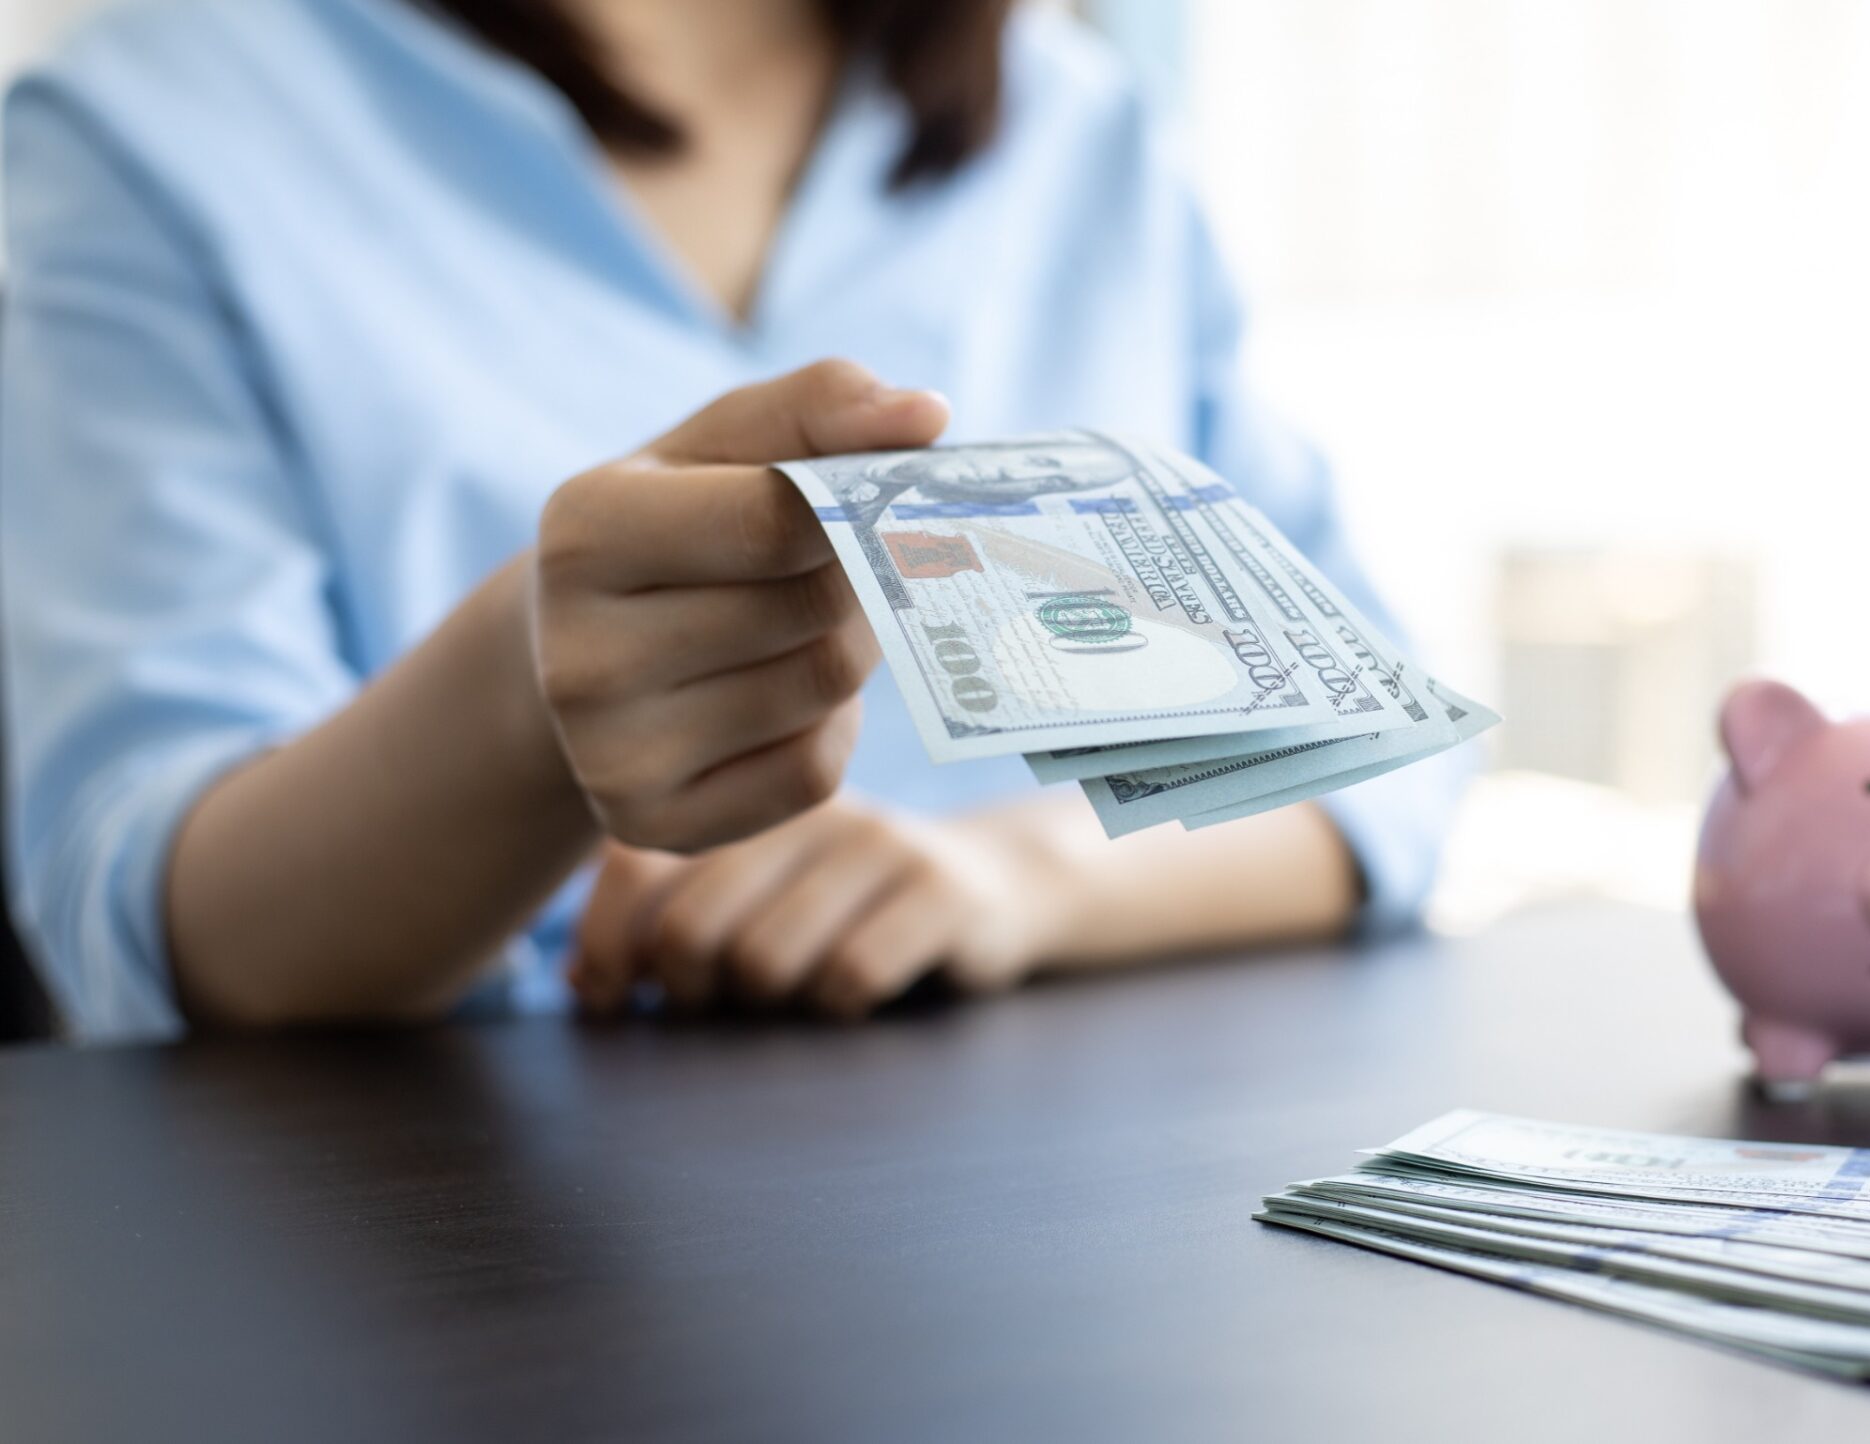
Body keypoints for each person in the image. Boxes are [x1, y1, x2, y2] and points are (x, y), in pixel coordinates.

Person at [0, 0, 1465, 1043]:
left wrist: (1021, 876)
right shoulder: (146, 130)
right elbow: (145, 922)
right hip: (455, 1245)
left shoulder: (1081, 123)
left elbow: (1375, 764)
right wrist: (523, 709)